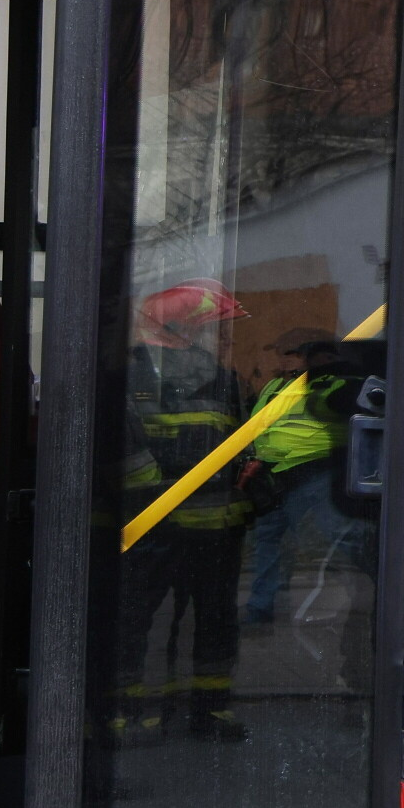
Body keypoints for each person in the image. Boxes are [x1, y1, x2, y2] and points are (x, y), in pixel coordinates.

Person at [117, 278, 255, 745]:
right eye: (215, 328)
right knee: (140, 621)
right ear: (181, 328)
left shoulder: (221, 377)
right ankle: (127, 710)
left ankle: (207, 709)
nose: (224, 338)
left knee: (213, 623)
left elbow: (240, 443)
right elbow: (125, 452)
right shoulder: (133, 375)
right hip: (154, 526)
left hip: (208, 529)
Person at [241, 327, 374, 627]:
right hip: (272, 474)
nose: (284, 358)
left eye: (292, 353)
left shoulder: (334, 381)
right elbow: (258, 424)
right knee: (268, 544)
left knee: (337, 539)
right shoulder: (275, 385)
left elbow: (341, 406)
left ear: (316, 356)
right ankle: (261, 608)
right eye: (282, 352)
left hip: (315, 471)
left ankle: (377, 587)